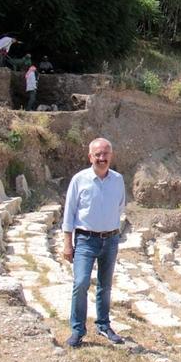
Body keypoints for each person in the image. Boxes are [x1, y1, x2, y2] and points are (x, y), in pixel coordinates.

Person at [62, 138, 126, 347]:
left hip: (111, 239)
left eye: (105, 154)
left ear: (111, 156)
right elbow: (69, 213)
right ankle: (77, 330)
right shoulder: (79, 180)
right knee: (80, 283)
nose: (102, 158)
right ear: (90, 157)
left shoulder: (118, 180)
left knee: (105, 286)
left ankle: (104, 325)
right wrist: (67, 243)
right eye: (97, 154)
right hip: (86, 239)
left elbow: (119, 207)